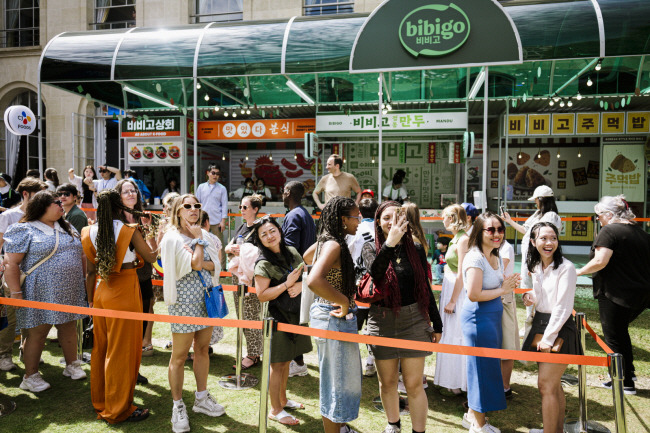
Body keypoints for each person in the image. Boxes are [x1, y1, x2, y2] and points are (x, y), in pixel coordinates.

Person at [361, 201, 443, 433]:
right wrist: (390, 243)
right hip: (381, 320)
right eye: (386, 218)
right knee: (387, 383)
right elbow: (376, 273)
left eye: (397, 217)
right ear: (378, 221)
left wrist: (437, 323)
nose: (391, 222)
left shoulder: (415, 248)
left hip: (413, 320)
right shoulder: (370, 247)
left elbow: (424, 288)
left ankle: (419, 431)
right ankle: (393, 425)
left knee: (414, 384)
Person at [81, 189, 157, 423]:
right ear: (119, 207)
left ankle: (103, 401)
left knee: (102, 348)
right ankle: (118, 408)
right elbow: (152, 257)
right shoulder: (128, 230)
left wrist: (91, 300)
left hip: (101, 291)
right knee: (121, 352)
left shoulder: (87, 231)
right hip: (124, 290)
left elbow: (91, 271)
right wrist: (157, 233)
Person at [4, 191, 87, 392]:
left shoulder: (67, 227)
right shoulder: (24, 229)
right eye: (56, 202)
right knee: (37, 333)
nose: (61, 204)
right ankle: (30, 376)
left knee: (68, 326)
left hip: (70, 290)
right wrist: (16, 293)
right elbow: (11, 263)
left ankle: (71, 364)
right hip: (38, 291)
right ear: (41, 206)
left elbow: (81, 255)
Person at [161, 194, 225, 432]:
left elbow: (215, 264)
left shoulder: (204, 234)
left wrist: (201, 255)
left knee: (202, 349)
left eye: (196, 206)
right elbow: (198, 264)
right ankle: (177, 406)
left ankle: (201, 397)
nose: (193, 210)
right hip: (182, 302)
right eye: (187, 206)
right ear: (178, 211)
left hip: (205, 299)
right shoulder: (173, 238)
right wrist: (199, 247)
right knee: (179, 356)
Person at [577, 195, 650, 395]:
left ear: (609, 215)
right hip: (639, 295)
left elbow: (600, 260)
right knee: (621, 333)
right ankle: (628, 372)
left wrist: (578, 271)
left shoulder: (609, 231)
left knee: (614, 336)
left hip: (614, 292)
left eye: (599, 215)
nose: (598, 219)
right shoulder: (641, 233)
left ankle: (624, 381)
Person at [461, 212, 519, 433]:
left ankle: (473, 417)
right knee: (480, 370)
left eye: (500, 229)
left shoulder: (494, 255)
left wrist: (508, 283)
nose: (497, 234)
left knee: (486, 368)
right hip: (478, 319)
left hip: (492, 318)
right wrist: (503, 289)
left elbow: (493, 284)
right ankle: (478, 424)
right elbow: (473, 294)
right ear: (479, 231)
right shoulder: (474, 257)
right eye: (491, 229)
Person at [307, 196, 362, 433]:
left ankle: (339, 427)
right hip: (333, 315)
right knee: (337, 382)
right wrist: (341, 300)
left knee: (338, 378)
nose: (359, 221)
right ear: (342, 219)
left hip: (329, 314)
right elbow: (313, 280)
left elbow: (307, 257)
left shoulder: (326, 241)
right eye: (355, 217)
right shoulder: (333, 244)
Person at [252, 216, 312, 426]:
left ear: (279, 230)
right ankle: (275, 410)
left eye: (272, 231)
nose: (269, 236)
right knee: (277, 365)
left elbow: (306, 275)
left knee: (286, 361)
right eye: (263, 235)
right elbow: (262, 295)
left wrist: (300, 286)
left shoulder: (293, 252)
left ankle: (284, 400)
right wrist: (287, 285)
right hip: (276, 319)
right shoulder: (263, 262)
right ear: (259, 240)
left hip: (296, 316)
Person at [522, 222, 581, 433]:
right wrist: (530, 296)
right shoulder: (537, 265)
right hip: (541, 323)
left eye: (553, 238)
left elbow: (563, 307)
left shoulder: (567, 267)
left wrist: (548, 338)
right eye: (544, 238)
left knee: (545, 385)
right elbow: (543, 296)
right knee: (553, 386)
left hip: (558, 328)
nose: (549, 243)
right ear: (533, 241)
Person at [0, 177, 47, 372]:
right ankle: (4, 354)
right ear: (26, 194)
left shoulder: (43, 216)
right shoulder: (9, 216)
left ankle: (26, 350)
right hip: (11, 273)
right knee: (11, 318)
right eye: (39, 193)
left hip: (36, 274)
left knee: (33, 316)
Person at [502, 185, 562, 335]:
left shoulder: (551, 217)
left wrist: (537, 263)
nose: (535, 202)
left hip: (537, 260)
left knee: (539, 290)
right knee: (528, 289)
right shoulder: (538, 214)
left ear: (541, 199)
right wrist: (509, 221)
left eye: (536, 200)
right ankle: (530, 322)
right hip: (529, 259)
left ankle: (538, 323)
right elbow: (525, 230)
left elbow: (546, 243)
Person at [115, 179, 157, 382]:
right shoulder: (115, 220)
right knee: (124, 328)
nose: (131, 194)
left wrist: (150, 230)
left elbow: (153, 252)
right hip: (123, 279)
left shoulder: (143, 219)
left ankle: (134, 370)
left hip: (143, 276)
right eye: (126, 191)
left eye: (134, 191)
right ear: (118, 196)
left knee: (140, 325)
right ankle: (122, 371)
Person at [224, 194, 264, 370]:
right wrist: (230, 249)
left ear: (255, 209)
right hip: (237, 276)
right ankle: (251, 352)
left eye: (245, 207)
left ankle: (254, 354)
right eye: (241, 207)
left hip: (251, 278)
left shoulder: (261, 228)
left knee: (251, 315)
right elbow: (228, 246)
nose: (242, 210)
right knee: (242, 314)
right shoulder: (241, 226)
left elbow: (263, 252)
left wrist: (244, 251)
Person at [281, 181, 317, 377]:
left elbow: (290, 249)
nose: (282, 195)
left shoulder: (294, 215)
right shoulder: (305, 214)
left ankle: (298, 362)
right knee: (298, 319)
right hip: (304, 273)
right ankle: (298, 361)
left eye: (283, 192)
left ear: (288, 193)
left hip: (295, 274)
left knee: (292, 319)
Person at [434, 204, 470, 396]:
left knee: (456, 333)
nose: (443, 220)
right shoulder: (457, 238)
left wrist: (453, 300)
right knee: (449, 333)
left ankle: (457, 381)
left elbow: (463, 273)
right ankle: (451, 380)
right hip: (451, 289)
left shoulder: (463, 240)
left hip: (458, 293)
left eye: (446, 216)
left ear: (453, 218)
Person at [347, 197, 378, 377]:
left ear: (360, 213)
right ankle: (370, 363)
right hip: (375, 283)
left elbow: (348, 252)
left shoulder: (355, 229)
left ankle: (352, 363)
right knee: (373, 325)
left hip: (357, 284)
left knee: (353, 324)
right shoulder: (381, 229)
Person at [194, 164, 228, 255]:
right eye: (213, 173)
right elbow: (197, 204)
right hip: (202, 220)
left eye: (217, 174)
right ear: (208, 173)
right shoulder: (201, 187)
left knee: (219, 244)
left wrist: (223, 221)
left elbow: (224, 205)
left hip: (217, 221)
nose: (215, 176)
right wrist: (196, 218)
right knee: (202, 243)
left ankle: (222, 267)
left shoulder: (222, 188)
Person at [500, 238, 519, 399]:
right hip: (490, 297)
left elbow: (499, 270)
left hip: (503, 297)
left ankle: (505, 386)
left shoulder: (504, 247)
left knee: (506, 342)